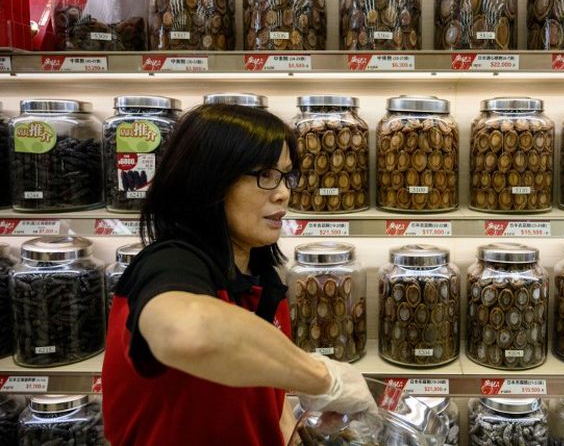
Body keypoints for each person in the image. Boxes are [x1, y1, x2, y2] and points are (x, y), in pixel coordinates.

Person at [102, 104, 376, 445]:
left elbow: (267, 401)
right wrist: (322, 378)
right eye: (264, 174)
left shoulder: (261, 277)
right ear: (208, 180)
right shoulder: (170, 263)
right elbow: (189, 333)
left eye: (286, 175)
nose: (283, 192)